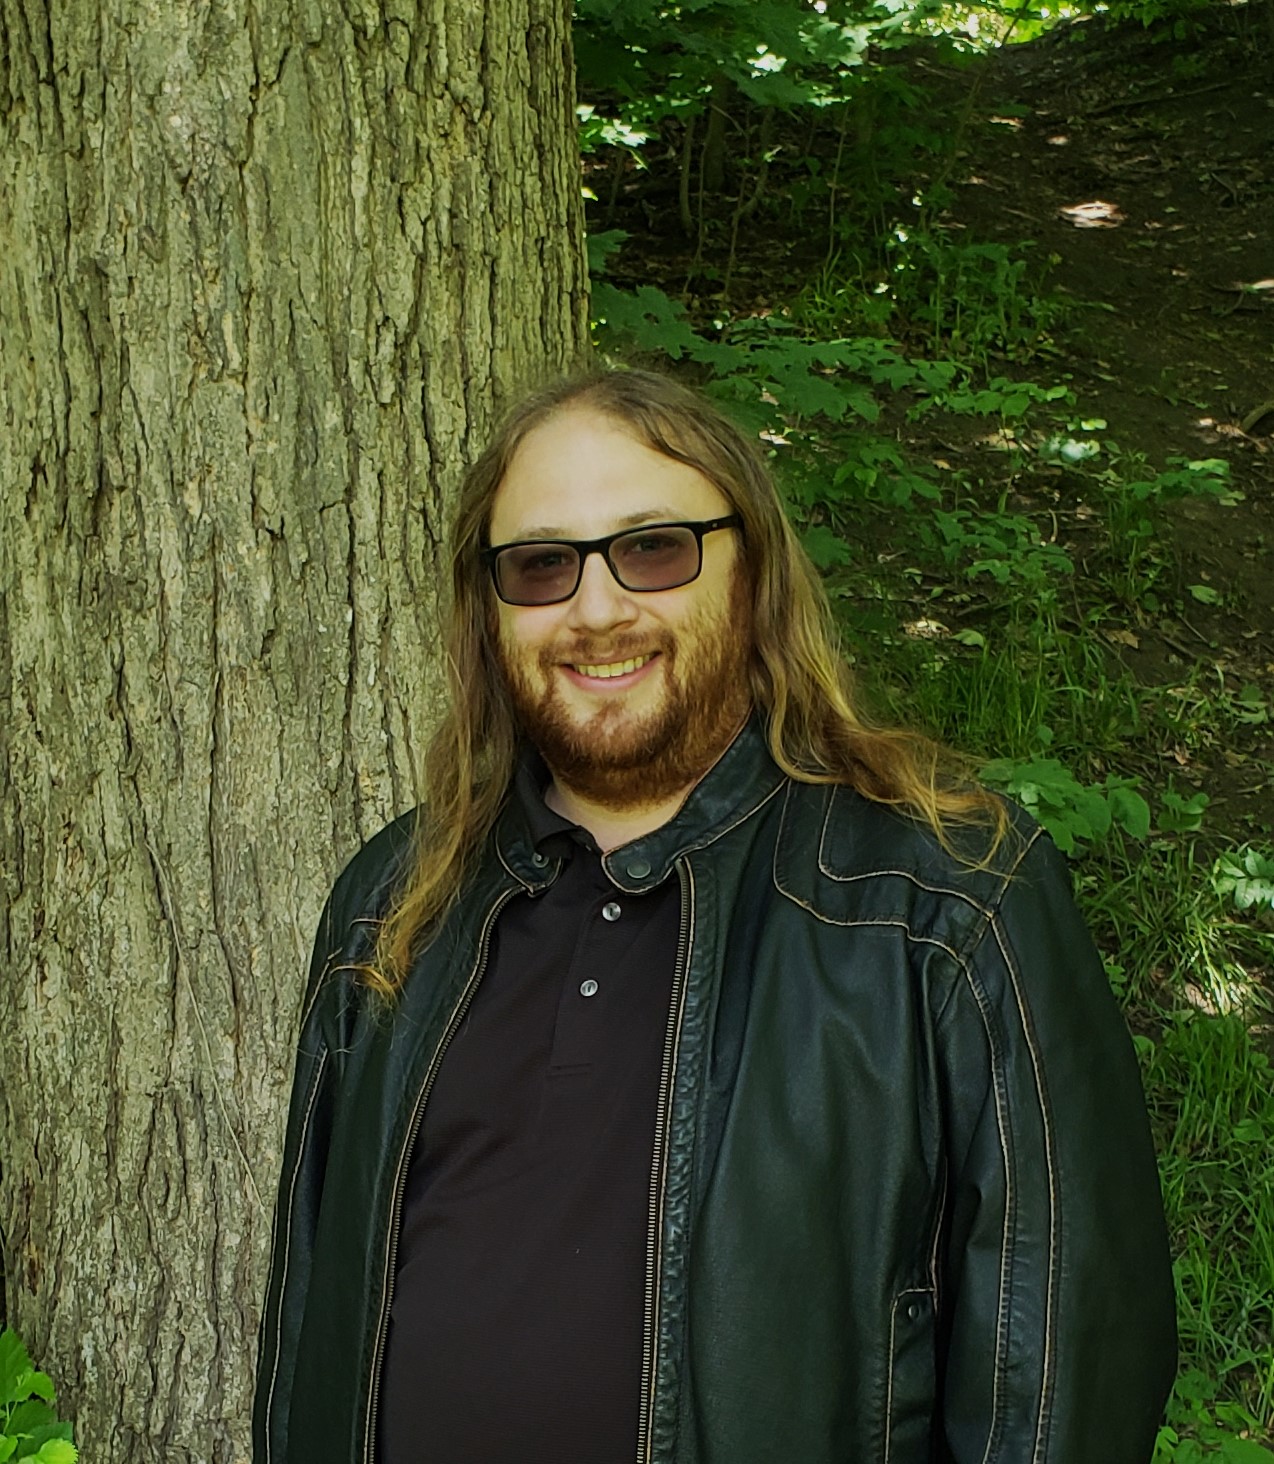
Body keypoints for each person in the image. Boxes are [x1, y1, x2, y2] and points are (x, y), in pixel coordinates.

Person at [252, 368, 1177, 1464]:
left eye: (653, 549)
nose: (597, 609)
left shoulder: (943, 899)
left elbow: (1061, 1367)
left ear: (754, 572)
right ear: (487, 610)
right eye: (541, 565)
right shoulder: (397, 896)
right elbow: (308, 1320)